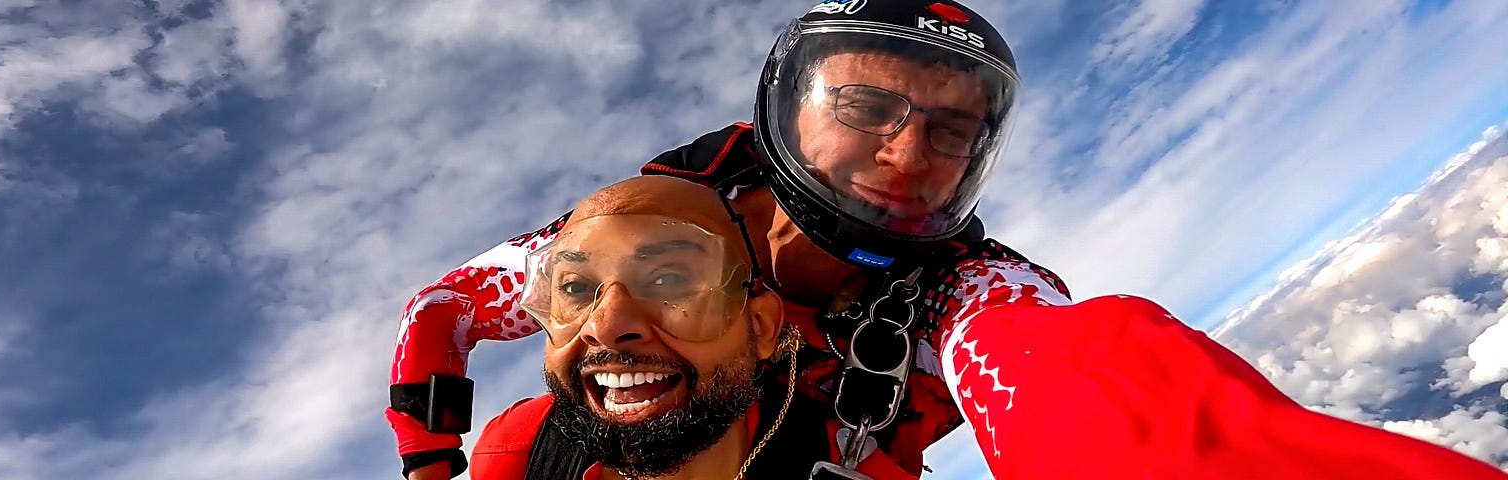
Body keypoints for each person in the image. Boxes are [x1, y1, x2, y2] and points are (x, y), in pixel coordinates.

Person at [388, 0, 1508, 478]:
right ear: (786, 108)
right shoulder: (639, 232)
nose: (909, 151)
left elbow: (1100, 389)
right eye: (868, 108)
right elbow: (442, 314)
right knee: (534, 430)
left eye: (952, 130)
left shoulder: (972, 292)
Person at [469, 175, 926, 479]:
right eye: (575, 287)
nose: (605, 326)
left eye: (669, 280)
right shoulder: (519, 450)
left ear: (761, 326)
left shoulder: (849, 467)